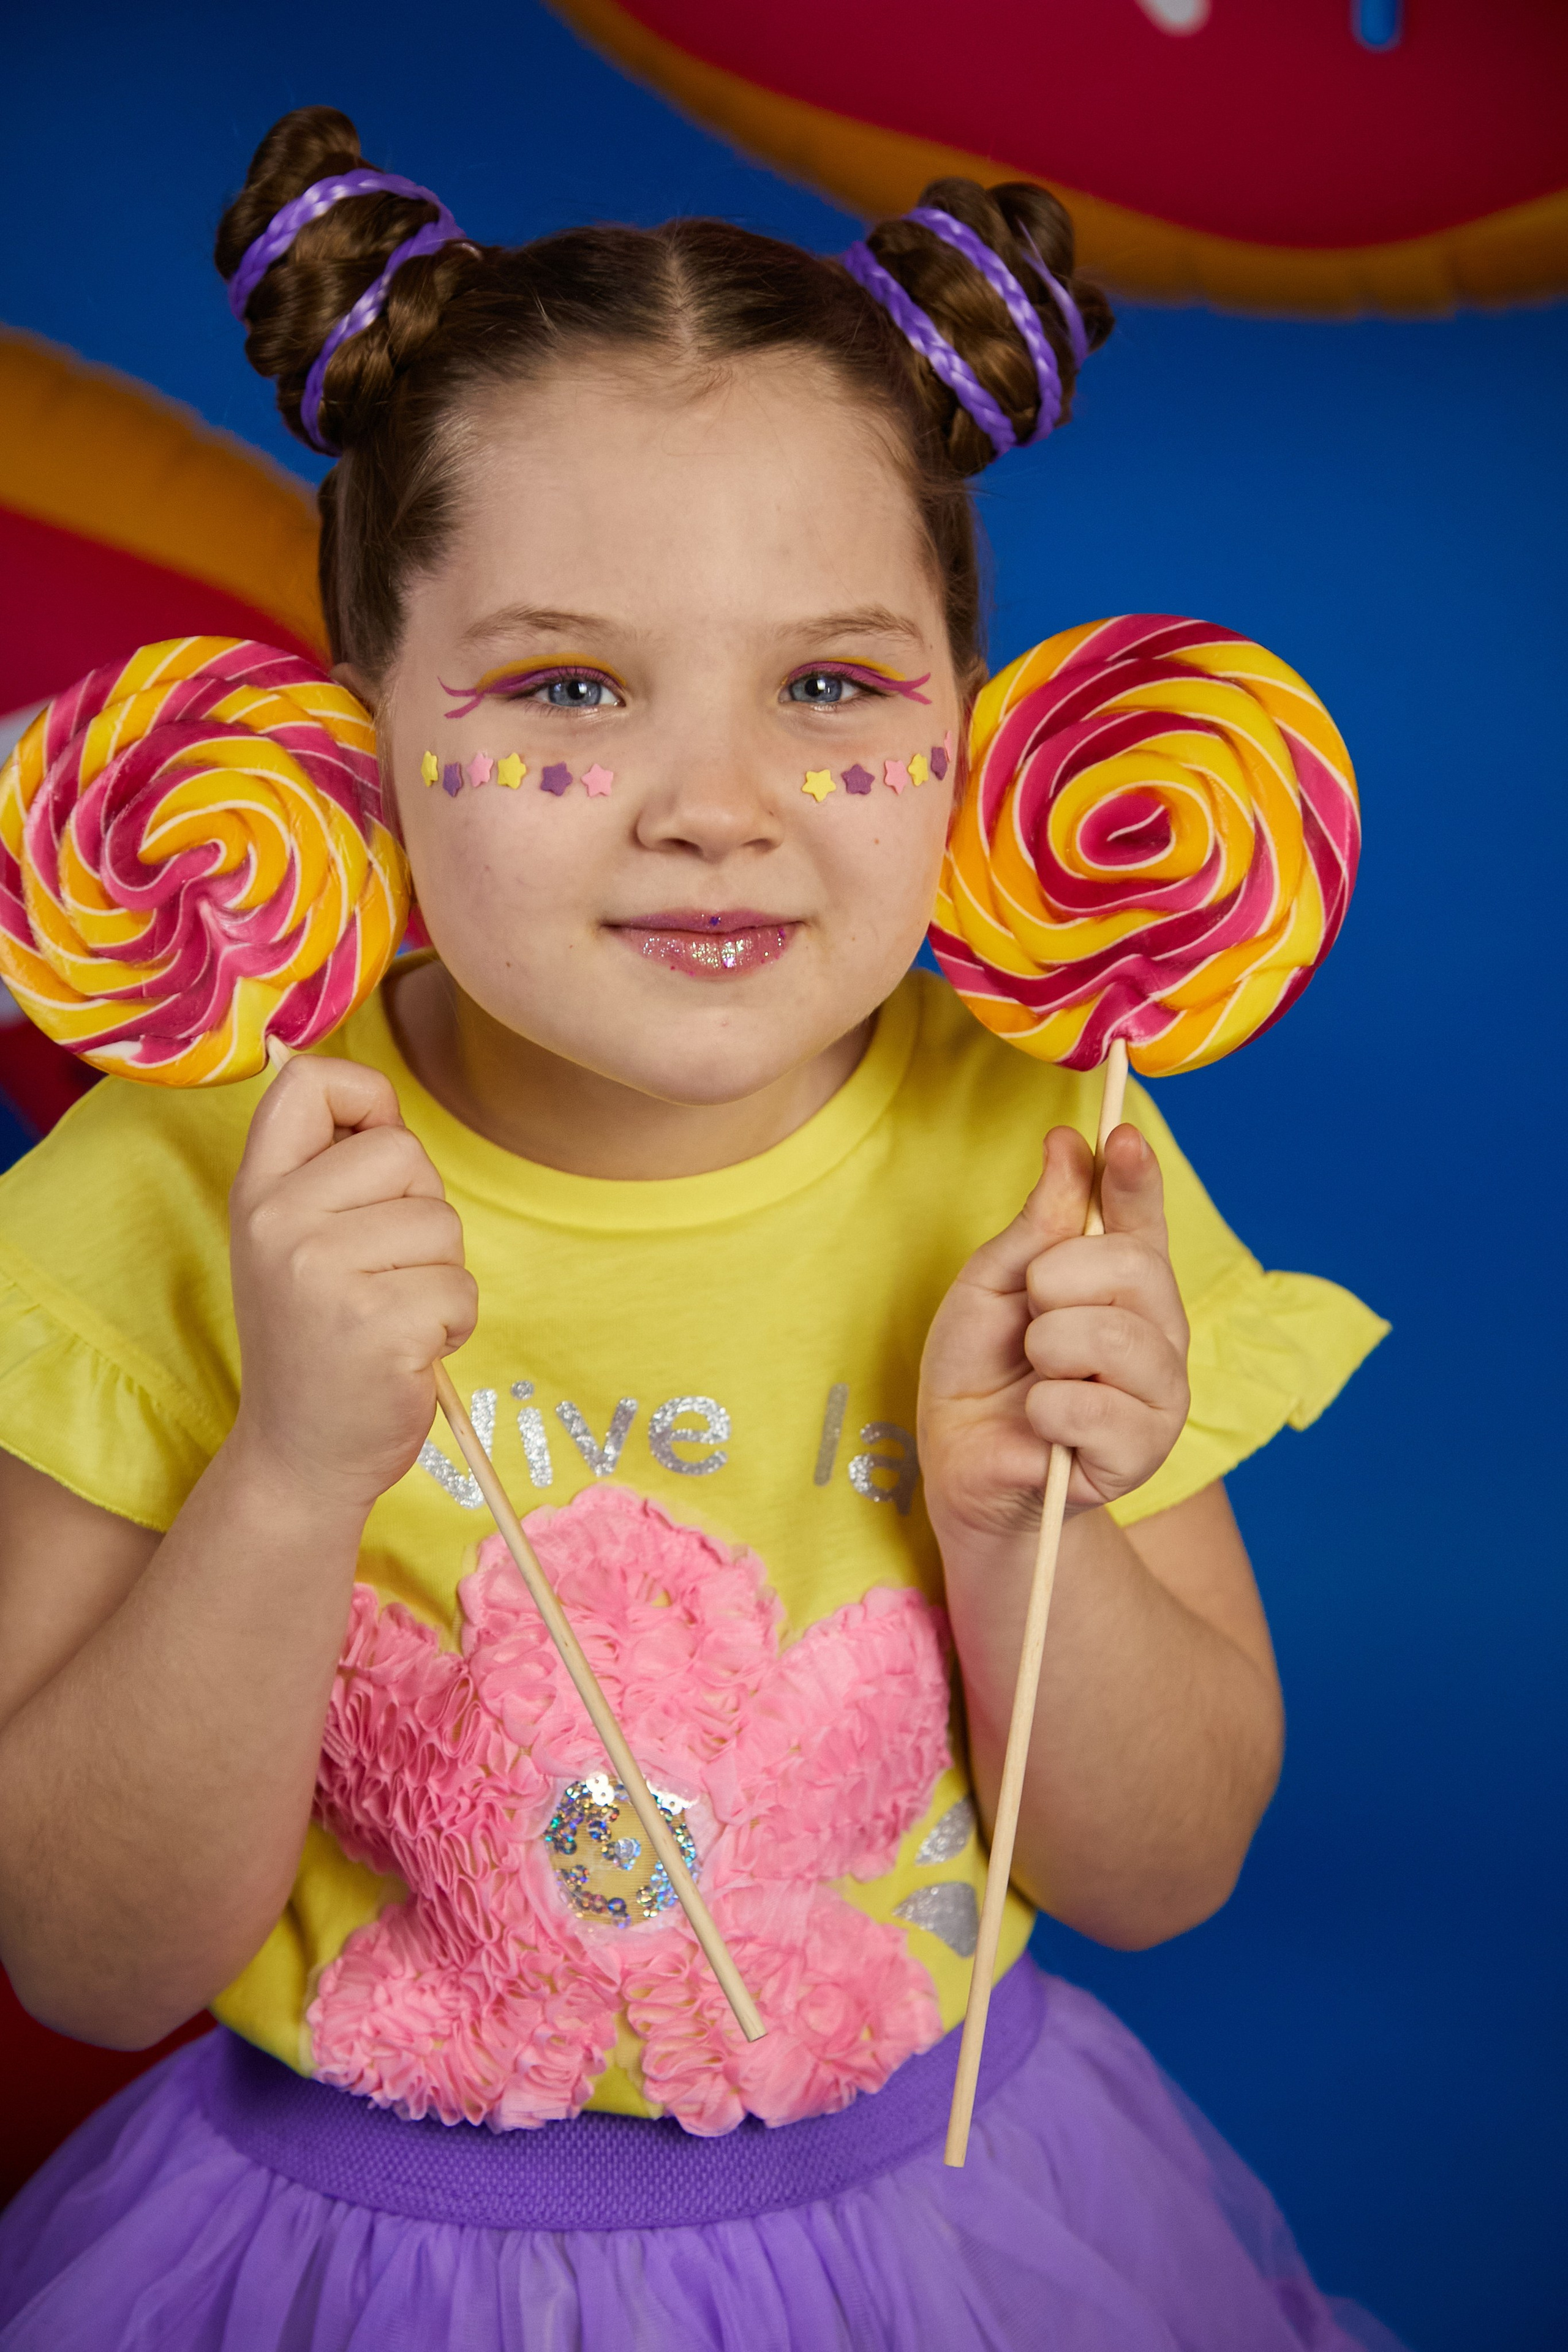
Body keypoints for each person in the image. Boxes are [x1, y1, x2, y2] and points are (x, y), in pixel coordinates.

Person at [0, 105, 1401, 2351]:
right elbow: (84, 1959)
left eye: (830, 685)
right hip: (353, 2258)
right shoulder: (175, 1180)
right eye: (569, 685)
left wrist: (1015, 1525)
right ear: (358, 729)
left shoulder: (1042, 1150)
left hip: (954, 2219)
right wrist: (286, 1472)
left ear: (972, 724)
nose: (718, 806)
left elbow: (1162, 1873)